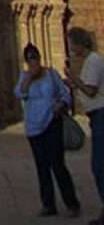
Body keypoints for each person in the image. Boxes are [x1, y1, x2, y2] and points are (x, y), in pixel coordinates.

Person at [15, 42, 81, 218]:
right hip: (34, 127)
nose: (34, 62)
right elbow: (19, 93)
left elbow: (65, 94)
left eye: (35, 58)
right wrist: (29, 77)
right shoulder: (24, 76)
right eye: (30, 59)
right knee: (42, 166)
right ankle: (48, 204)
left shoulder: (51, 74)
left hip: (52, 123)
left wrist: (61, 104)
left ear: (39, 57)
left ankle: (72, 203)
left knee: (58, 165)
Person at [65, 27, 104, 225]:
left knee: (100, 167)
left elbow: (90, 90)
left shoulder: (94, 60)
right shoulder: (90, 60)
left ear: (79, 43)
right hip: (97, 117)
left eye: (71, 43)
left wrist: (74, 79)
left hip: (101, 116)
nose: (70, 47)